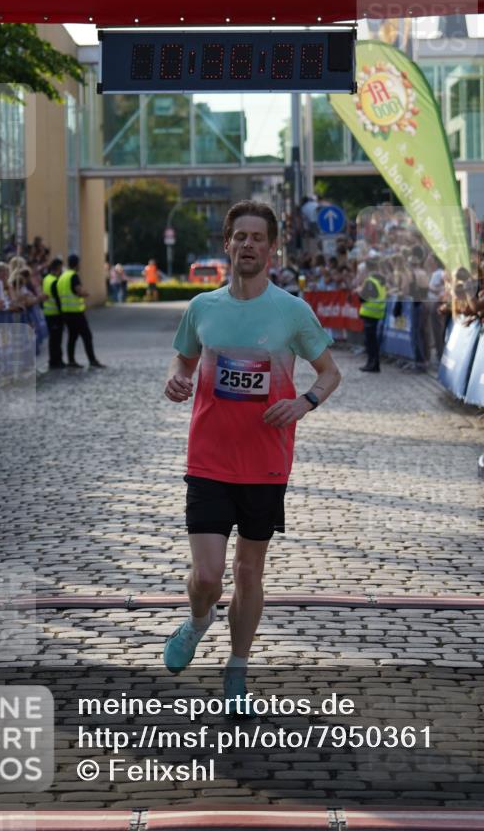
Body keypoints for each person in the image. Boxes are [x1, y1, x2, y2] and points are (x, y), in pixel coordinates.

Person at [163, 200, 341, 713]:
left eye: (257, 237)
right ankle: (197, 621)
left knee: (247, 572)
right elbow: (184, 358)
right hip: (209, 459)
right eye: (239, 236)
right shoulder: (203, 308)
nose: (248, 244)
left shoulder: (292, 311)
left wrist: (303, 402)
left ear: (272, 246)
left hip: (266, 462)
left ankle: (237, 667)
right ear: (227, 244)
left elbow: (329, 373)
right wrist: (177, 378)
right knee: (209, 575)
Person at [56, 254, 105, 368]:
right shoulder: (73, 276)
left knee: (72, 337)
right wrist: (85, 293)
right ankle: (92, 360)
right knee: (87, 335)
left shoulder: (63, 276)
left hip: (66, 312)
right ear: (77, 263)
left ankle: (71, 360)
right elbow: (78, 291)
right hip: (76, 312)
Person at [356, 256, 387, 372]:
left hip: (370, 313)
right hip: (378, 312)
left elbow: (364, 298)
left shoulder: (370, 281)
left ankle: (372, 364)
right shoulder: (380, 278)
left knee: (370, 341)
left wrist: (359, 292)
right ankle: (374, 363)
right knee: (373, 341)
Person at [42, 257, 65, 369]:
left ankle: (54, 360)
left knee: (53, 339)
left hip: (48, 313)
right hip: (55, 314)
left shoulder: (47, 278)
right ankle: (56, 360)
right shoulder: (54, 281)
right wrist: (63, 313)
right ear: (58, 268)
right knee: (56, 339)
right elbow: (57, 299)